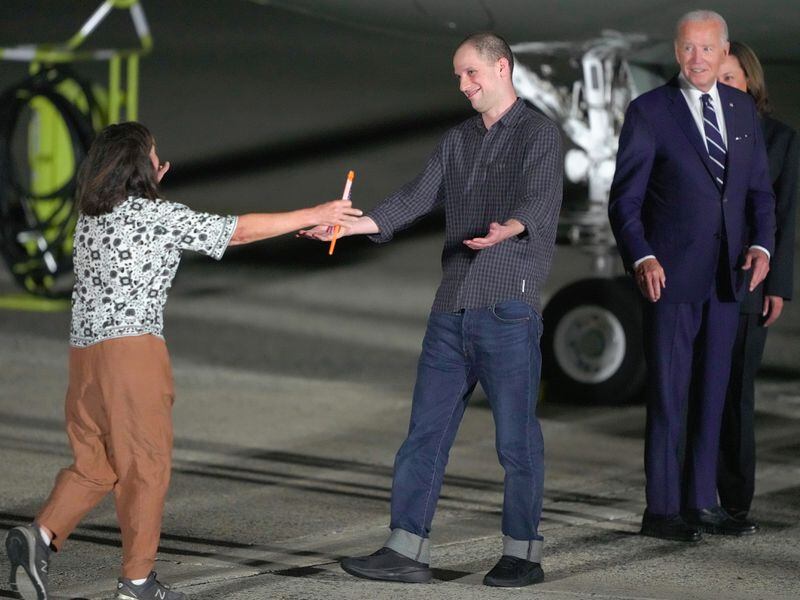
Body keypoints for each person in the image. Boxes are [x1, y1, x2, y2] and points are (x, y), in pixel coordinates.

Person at [3, 121, 361, 600]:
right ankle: (136, 583)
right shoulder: (155, 215)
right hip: (132, 358)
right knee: (145, 469)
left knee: (96, 465)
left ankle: (40, 536)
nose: (161, 161)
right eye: (155, 156)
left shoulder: (91, 219)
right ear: (142, 167)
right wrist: (314, 212)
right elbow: (233, 232)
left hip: (84, 361)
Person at [300, 32, 562, 587]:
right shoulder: (458, 140)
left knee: (515, 440)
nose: (464, 86)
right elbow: (415, 197)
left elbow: (540, 199)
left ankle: (522, 552)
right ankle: (405, 548)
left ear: (501, 68)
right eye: (459, 77)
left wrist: (508, 229)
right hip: (451, 309)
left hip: (507, 308)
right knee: (423, 436)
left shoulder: (538, 135)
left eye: (471, 74)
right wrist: (348, 226)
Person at [608, 10, 775, 542]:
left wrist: (761, 246)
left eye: (708, 50)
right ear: (676, 51)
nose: (698, 59)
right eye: (688, 49)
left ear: (726, 52)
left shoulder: (741, 109)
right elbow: (625, 202)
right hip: (671, 279)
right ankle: (661, 510)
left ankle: (702, 503)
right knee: (670, 396)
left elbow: (759, 195)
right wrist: (642, 257)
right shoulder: (649, 111)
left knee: (712, 395)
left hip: (729, 282)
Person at [716, 42, 798, 524]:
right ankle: (694, 496)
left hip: (751, 283)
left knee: (736, 396)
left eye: (732, 78)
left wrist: (777, 287)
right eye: (717, 78)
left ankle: (735, 499)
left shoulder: (781, 140)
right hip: (701, 283)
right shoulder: (697, 133)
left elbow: (785, 218)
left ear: (750, 82)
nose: (723, 86)